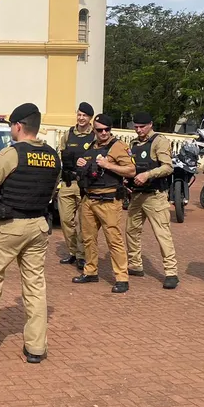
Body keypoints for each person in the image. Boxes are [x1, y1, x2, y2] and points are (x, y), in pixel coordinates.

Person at [0, 103, 60, 364]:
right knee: (36, 287)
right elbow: (51, 193)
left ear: (17, 126)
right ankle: (36, 348)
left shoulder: (11, 154)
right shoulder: (53, 156)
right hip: (38, 224)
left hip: (8, 226)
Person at [72, 113, 135, 293]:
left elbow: (131, 170)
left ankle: (122, 277)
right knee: (88, 238)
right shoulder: (91, 146)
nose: (104, 133)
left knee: (113, 240)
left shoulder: (118, 147)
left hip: (109, 200)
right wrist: (81, 163)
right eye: (100, 130)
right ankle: (90, 271)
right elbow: (86, 170)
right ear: (94, 130)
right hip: (89, 199)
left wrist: (109, 166)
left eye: (107, 129)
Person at [124, 111, 179, 289]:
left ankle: (171, 272)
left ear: (150, 125)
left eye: (142, 127)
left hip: (155, 195)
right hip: (137, 194)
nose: (138, 130)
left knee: (162, 234)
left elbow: (168, 167)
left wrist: (148, 174)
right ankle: (135, 264)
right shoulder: (133, 143)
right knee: (131, 230)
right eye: (136, 127)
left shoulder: (159, 141)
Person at [58, 102, 95, 270]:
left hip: (85, 184)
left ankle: (81, 255)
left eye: (84, 116)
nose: (81, 118)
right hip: (67, 182)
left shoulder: (95, 136)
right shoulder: (67, 135)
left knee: (83, 222)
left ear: (90, 118)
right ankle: (73, 251)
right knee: (66, 220)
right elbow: (61, 156)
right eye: (79, 115)